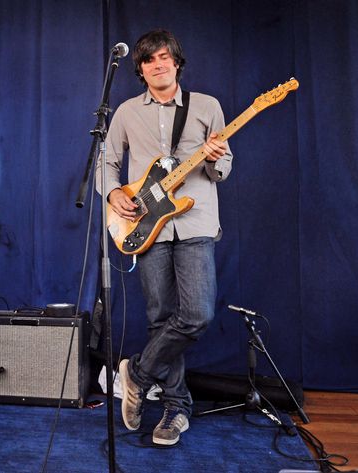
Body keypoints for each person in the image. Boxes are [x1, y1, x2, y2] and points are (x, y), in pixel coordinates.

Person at [96, 29, 232, 446]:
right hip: (146, 227)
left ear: (177, 62)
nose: (159, 64)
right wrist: (115, 192)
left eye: (165, 58)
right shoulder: (125, 112)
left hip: (194, 223)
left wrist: (214, 159)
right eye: (150, 60)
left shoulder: (207, 106)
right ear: (140, 69)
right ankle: (175, 408)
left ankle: (135, 373)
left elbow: (222, 169)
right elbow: (107, 161)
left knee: (195, 315)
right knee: (159, 318)